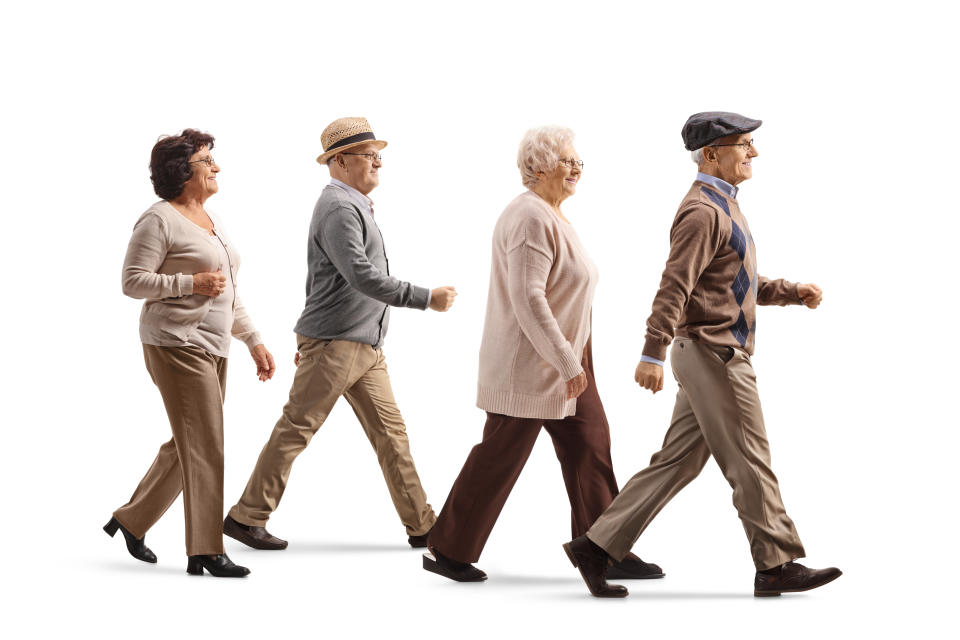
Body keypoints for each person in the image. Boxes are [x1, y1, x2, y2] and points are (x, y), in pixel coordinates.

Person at [563, 112, 842, 598]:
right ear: (711, 154)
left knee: (676, 463)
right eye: (743, 144)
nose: (753, 152)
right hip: (715, 355)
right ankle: (775, 564)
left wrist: (793, 291)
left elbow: (731, 283)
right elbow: (675, 285)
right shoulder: (702, 211)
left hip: (708, 353)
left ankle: (596, 546)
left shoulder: (725, 205)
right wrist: (652, 351)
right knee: (751, 459)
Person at [423, 126, 661, 583]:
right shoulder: (529, 216)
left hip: (569, 360)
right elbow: (529, 298)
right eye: (566, 160)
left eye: (579, 162)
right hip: (530, 365)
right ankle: (447, 549)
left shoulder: (553, 215)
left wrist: (576, 360)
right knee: (500, 455)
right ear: (538, 167)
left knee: (592, 447)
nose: (576, 168)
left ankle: (605, 546)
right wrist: (567, 364)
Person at [223, 117, 455, 550]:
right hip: (337, 344)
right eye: (369, 156)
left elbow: (324, 282)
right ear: (340, 161)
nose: (378, 163)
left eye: (378, 155)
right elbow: (360, 276)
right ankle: (246, 516)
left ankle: (423, 525)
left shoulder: (354, 205)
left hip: (361, 343)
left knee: (392, 435)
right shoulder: (338, 207)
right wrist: (426, 298)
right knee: (296, 429)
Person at [106, 128, 276, 578]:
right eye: (207, 161)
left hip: (214, 345)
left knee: (192, 441)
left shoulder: (210, 219)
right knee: (206, 442)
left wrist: (253, 340)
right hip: (175, 343)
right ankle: (204, 549)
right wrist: (189, 283)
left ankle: (131, 519)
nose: (216, 167)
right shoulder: (158, 219)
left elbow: (229, 292)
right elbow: (132, 280)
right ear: (183, 171)